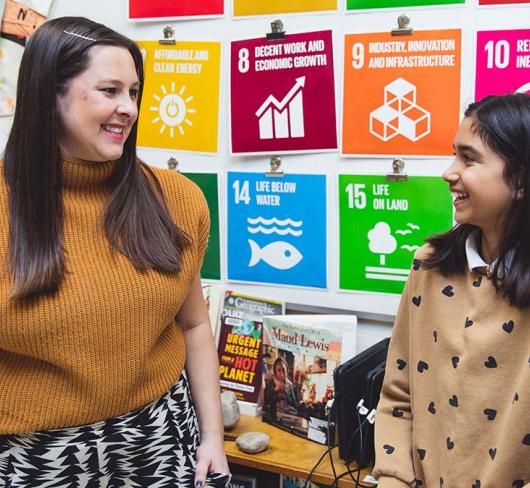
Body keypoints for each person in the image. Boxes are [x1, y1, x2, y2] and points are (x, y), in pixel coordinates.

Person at [0, 17, 230, 487]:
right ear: (48, 94)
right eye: (109, 90)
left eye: (134, 92)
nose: (128, 108)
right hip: (36, 455)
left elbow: (192, 323)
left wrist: (212, 438)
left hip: (161, 437)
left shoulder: (177, 198)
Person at [373, 94, 530, 487]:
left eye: (469, 158)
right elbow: (398, 395)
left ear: (521, 180)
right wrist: (394, 479)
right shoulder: (428, 265)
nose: (449, 172)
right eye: (453, 155)